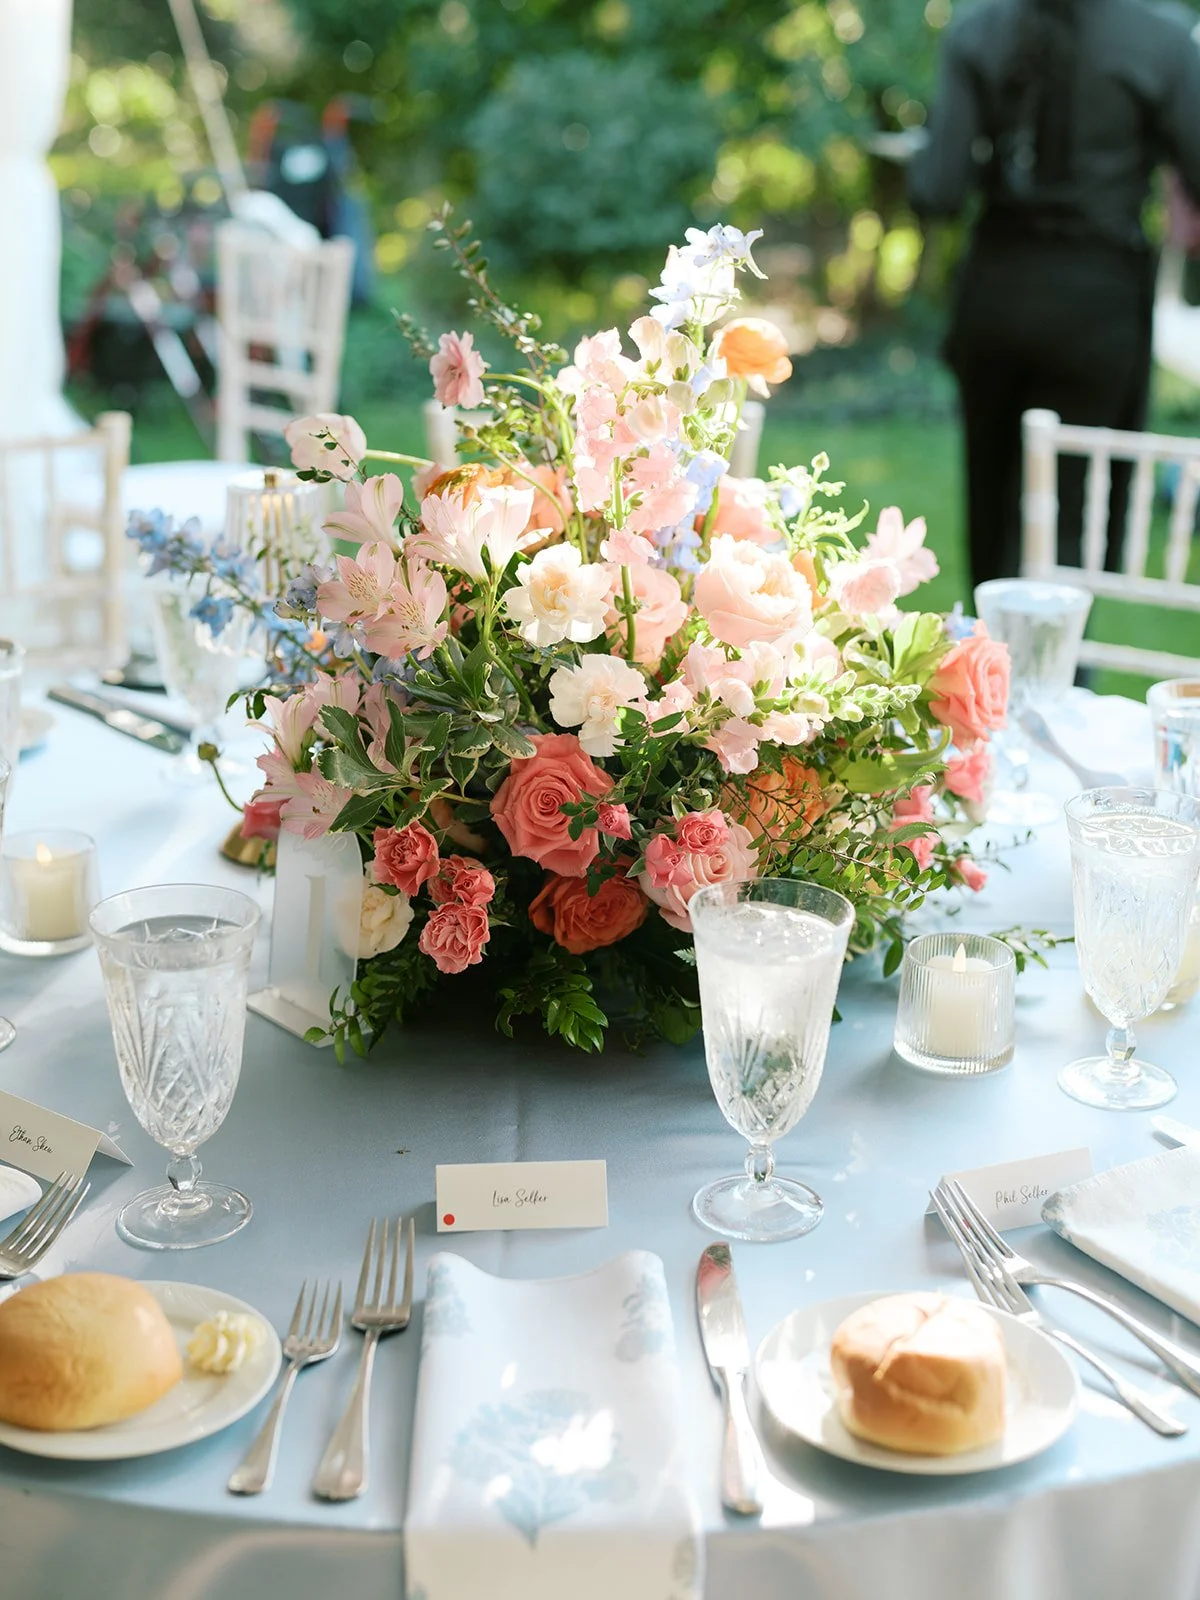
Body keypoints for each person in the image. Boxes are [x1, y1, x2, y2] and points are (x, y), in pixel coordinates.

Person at [910, 0, 1200, 589]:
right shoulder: (1162, 38)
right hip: (1099, 311)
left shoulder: (977, 29)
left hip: (994, 298)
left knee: (992, 521)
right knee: (1075, 526)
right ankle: (1063, 673)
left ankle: (990, 673)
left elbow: (935, 190)